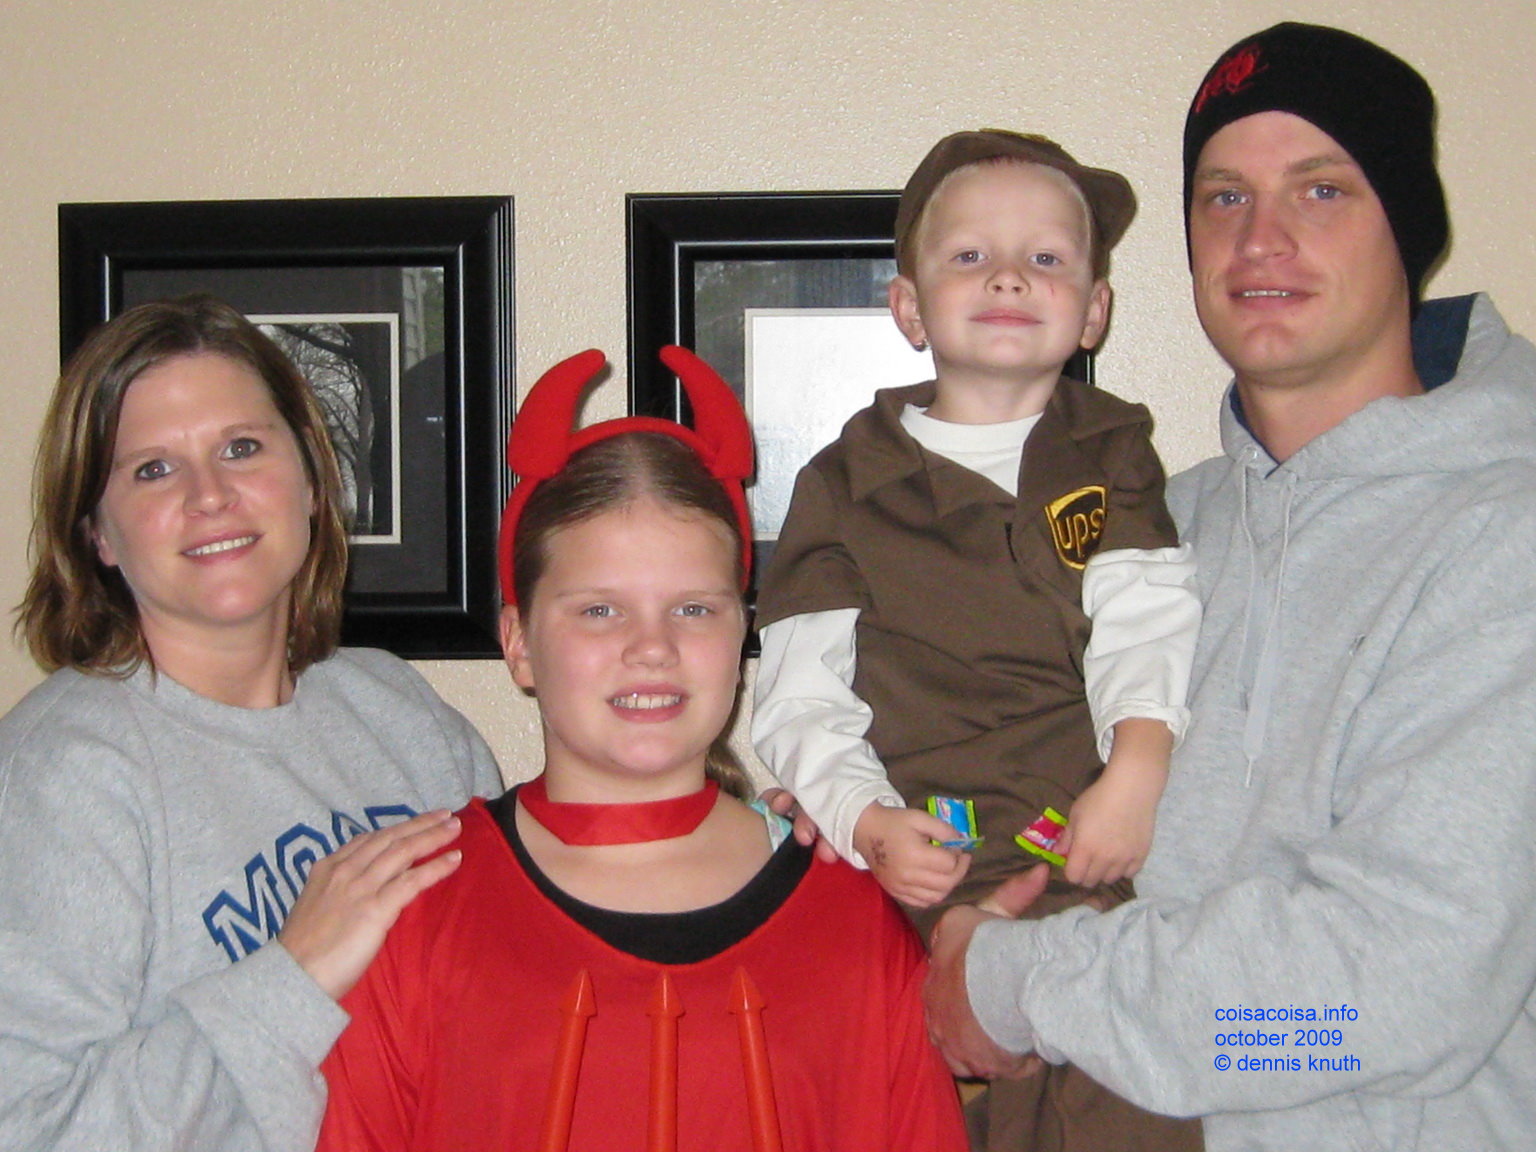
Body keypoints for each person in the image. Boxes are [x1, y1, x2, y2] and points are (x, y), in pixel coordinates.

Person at [924, 22, 1536, 1152]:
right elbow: (1017, 792)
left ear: (1409, 225)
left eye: (1321, 190)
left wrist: (1017, 987)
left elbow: (1387, 993)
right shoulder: (1154, 527)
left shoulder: (1507, 535)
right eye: (1223, 196)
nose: (1262, 239)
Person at [316, 346, 967, 1151]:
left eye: (694, 609)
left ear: (743, 630)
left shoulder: (849, 914)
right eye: (599, 611)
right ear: (518, 643)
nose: (652, 647)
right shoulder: (418, 913)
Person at [751, 129, 1202, 1150]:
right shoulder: (847, 481)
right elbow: (800, 687)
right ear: (908, 307)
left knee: (1123, 1093)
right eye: (969, 256)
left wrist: (1137, 767)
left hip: (1088, 849)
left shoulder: (1110, 448)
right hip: (915, 861)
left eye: (1046, 257)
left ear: (1093, 310)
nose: (1008, 274)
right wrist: (864, 821)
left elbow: (1145, 611)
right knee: (890, 1090)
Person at [0, 295, 502, 1151]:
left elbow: (529, 954)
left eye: (241, 447)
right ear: (99, 536)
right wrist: (296, 975)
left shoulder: (398, 713)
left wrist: (761, 840)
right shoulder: (65, 773)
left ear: (311, 480)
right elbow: (32, 1126)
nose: (210, 495)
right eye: (153, 469)